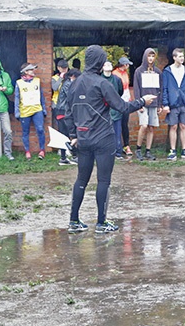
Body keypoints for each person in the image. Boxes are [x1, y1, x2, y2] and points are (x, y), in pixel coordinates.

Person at [64, 45, 156, 233]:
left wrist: (73, 135)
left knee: (81, 180)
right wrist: (142, 101)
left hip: (83, 139)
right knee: (103, 180)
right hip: (103, 138)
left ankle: (73, 221)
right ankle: (101, 223)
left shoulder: (74, 84)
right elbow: (122, 107)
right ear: (99, 61)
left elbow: (67, 113)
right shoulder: (102, 83)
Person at [161, 48, 185, 160]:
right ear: (174, 57)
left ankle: (184, 150)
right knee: (173, 126)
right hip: (172, 103)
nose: (182, 58)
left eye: (183, 56)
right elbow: (165, 89)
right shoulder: (167, 71)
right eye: (180, 56)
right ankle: (172, 150)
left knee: (183, 126)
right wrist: (165, 104)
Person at [132, 48, 162, 161]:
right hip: (143, 103)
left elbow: (160, 88)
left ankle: (148, 151)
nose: (150, 58)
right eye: (149, 56)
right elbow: (136, 88)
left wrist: (160, 104)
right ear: (145, 57)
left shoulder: (158, 72)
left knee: (151, 127)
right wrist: (138, 103)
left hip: (154, 104)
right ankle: (138, 149)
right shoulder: (139, 71)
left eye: (152, 56)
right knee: (143, 125)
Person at [14, 63, 46, 159]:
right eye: (31, 70)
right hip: (24, 111)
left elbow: (41, 96)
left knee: (40, 129)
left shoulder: (37, 81)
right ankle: (27, 151)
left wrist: (43, 109)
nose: (33, 71)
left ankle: (42, 151)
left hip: (37, 109)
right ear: (26, 72)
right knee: (25, 132)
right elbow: (17, 98)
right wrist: (17, 111)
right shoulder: (19, 82)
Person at [51, 68, 78, 166]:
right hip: (63, 112)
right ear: (73, 77)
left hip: (63, 111)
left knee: (65, 135)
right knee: (65, 135)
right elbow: (72, 97)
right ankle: (73, 156)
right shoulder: (68, 85)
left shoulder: (67, 84)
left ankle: (64, 158)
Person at [101, 61, 125, 158]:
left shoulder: (117, 80)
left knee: (117, 132)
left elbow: (120, 92)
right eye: (105, 64)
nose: (108, 66)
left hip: (116, 110)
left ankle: (118, 152)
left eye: (110, 64)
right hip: (103, 111)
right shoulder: (99, 79)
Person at [113, 56, 133, 156]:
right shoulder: (114, 74)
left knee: (125, 124)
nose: (128, 66)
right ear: (123, 64)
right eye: (127, 64)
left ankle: (126, 145)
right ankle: (117, 146)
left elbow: (127, 88)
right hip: (118, 101)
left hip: (126, 100)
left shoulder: (125, 74)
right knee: (117, 124)